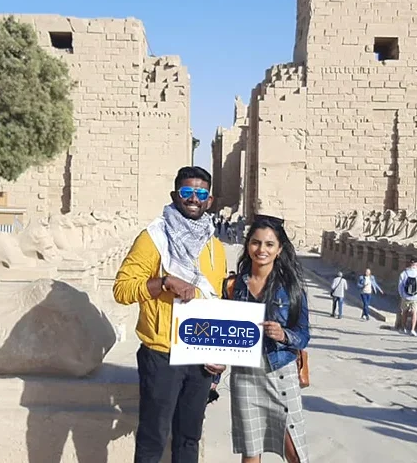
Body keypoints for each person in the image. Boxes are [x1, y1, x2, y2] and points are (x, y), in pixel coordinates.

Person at [113, 166, 229, 463]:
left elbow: (216, 302)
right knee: (153, 436)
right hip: (162, 354)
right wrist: (164, 282)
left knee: (189, 438)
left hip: (200, 356)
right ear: (175, 195)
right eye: (187, 192)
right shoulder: (153, 238)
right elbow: (122, 289)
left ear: (210, 200)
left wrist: (221, 354)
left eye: (200, 193)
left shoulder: (215, 246)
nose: (193, 198)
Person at [228, 215, 310, 463]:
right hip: (245, 375)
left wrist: (283, 334)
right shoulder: (233, 286)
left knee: (295, 451)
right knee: (251, 452)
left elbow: (303, 335)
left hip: (280, 373)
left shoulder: (292, 287)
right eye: (256, 243)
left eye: (269, 244)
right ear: (248, 246)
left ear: (279, 249)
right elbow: (224, 333)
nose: (261, 249)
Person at [398, 259, 417, 336]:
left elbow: (400, 286)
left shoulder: (404, 273)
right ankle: (412, 329)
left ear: (410, 264)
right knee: (414, 313)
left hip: (405, 296)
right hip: (416, 297)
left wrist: (402, 294)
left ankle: (403, 328)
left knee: (404, 312)